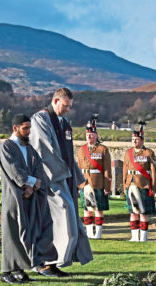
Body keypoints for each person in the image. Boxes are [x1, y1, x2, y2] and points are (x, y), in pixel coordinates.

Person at [29, 88, 92, 276]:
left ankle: (54, 261)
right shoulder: (40, 119)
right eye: (65, 106)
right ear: (55, 101)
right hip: (50, 179)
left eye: (69, 107)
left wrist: (78, 177)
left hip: (64, 178)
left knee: (66, 218)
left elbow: (67, 154)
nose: (67, 110)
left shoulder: (63, 122)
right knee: (61, 215)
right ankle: (44, 262)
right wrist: (61, 175)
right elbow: (44, 151)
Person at [0, 114, 59, 283]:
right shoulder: (6, 147)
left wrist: (35, 185)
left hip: (32, 196)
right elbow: (14, 170)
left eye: (29, 128)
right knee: (13, 232)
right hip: (14, 196)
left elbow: (38, 167)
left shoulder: (29, 148)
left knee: (36, 228)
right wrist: (28, 184)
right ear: (15, 128)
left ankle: (32, 265)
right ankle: (8, 271)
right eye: (25, 128)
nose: (28, 132)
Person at [123, 121, 156, 242]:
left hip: (143, 185)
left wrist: (154, 188)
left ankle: (143, 237)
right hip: (130, 184)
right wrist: (124, 185)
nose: (134, 141)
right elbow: (125, 170)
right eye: (133, 139)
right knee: (133, 212)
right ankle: (134, 236)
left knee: (143, 213)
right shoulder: (128, 153)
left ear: (142, 140)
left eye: (137, 139)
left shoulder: (149, 153)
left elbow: (154, 171)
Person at [77, 115, 112, 239]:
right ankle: (89, 232)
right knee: (87, 209)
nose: (89, 137)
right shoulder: (81, 150)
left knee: (98, 209)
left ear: (96, 135)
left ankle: (98, 233)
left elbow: (107, 169)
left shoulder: (103, 149)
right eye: (87, 135)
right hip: (84, 182)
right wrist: (78, 185)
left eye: (91, 135)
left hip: (98, 182)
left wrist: (107, 187)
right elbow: (79, 167)